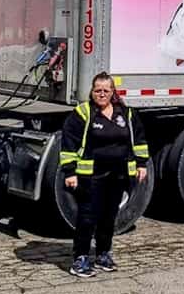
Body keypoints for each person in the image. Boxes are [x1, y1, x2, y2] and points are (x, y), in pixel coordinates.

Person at [59, 72, 149, 277]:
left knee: (109, 217)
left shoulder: (125, 114)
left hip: (118, 175)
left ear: (112, 92)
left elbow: (139, 140)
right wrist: (70, 172)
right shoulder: (83, 113)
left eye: (106, 90)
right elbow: (68, 144)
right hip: (90, 177)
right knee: (87, 217)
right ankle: (80, 258)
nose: (101, 94)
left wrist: (141, 164)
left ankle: (103, 254)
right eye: (97, 90)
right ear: (91, 91)